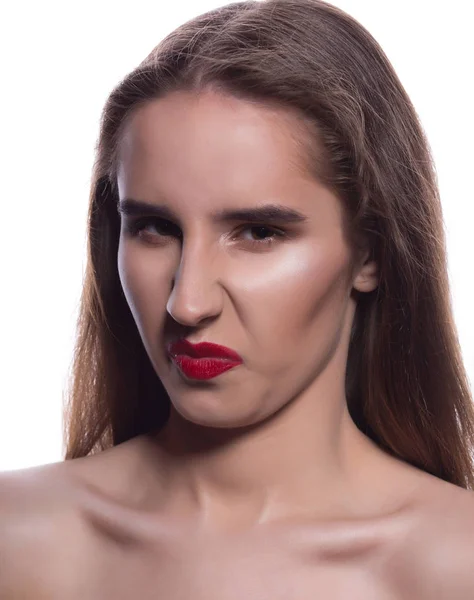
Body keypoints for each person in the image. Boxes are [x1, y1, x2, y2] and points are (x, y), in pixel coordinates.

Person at [1, 0, 474, 596]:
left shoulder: (455, 565)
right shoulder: (14, 537)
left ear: (370, 251)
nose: (187, 303)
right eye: (154, 228)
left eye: (259, 233)